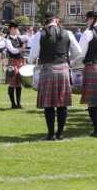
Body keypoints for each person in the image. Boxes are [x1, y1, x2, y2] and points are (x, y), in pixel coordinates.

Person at [27, 12, 82, 140]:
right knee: (62, 104)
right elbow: (78, 52)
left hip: (48, 70)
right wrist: (69, 62)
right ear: (56, 20)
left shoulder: (39, 34)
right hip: (63, 69)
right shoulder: (68, 33)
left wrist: (32, 61)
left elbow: (32, 57)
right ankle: (60, 134)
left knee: (49, 104)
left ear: (45, 21)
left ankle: (51, 134)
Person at [3, 22, 29, 109]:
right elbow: (13, 50)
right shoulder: (7, 40)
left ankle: (18, 103)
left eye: (17, 28)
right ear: (10, 29)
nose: (16, 30)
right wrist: (21, 49)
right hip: (12, 62)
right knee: (12, 84)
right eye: (14, 28)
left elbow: (28, 37)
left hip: (20, 62)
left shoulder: (19, 38)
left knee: (18, 84)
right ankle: (13, 104)